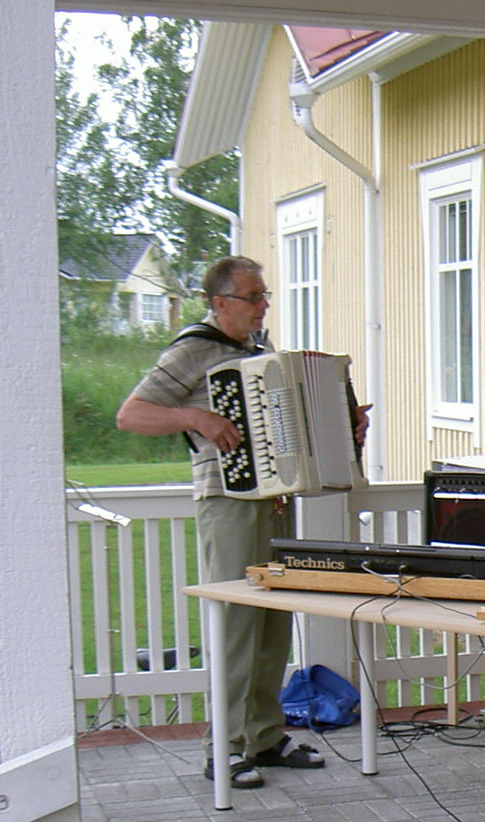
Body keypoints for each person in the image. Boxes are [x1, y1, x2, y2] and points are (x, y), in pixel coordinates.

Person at [116, 255, 362, 789]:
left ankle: (265, 736)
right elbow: (131, 414)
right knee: (235, 626)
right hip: (227, 501)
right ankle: (223, 748)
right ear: (220, 302)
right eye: (253, 297)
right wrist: (195, 416)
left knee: (273, 623)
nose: (263, 305)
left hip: (274, 501)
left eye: (265, 295)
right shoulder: (193, 350)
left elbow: (294, 428)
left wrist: (345, 425)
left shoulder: (262, 354)